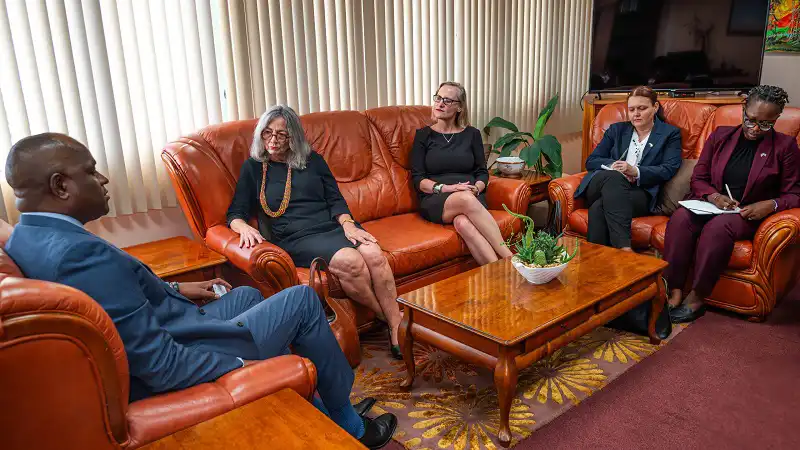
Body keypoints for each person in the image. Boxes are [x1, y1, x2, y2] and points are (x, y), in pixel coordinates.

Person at [3, 133, 396, 449]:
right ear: (60, 185)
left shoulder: (27, 237)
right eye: (91, 172)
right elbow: (158, 364)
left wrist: (180, 287)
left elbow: (117, 299)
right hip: (182, 349)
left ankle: (314, 401)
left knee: (244, 295)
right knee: (303, 299)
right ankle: (347, 422)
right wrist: (245, 370)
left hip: (177, 324)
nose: (104, 180)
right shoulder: (78, 254)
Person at [226, 105, 404, 360]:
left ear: (294, 137)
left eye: (281, 135)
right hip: (296, 237)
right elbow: (235, 212)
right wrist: (241, 226)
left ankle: (395, 326)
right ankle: (391, 318)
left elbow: (335, 200)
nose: (273, 140)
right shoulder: (254, 168)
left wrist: (348, 224)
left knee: (375, 255)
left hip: (332, 226)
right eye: (267, 133)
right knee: (351, 261)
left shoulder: (313, 161)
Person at [664, 85, 800, 323]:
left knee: (718, 228)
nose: (756, 128)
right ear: (743, 109)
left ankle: (697, 297)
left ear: (776, 119)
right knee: (680, 219)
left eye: (765, 124)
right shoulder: (720, 136)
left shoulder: (785, 147)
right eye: (751, 120)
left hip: (747, 214)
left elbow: (795, 193)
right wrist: (714, 197)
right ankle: (674, 290)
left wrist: (771, 204)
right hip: (713, 204)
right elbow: (699, 178)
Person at [411, 81, 512, 265]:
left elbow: (482, 172)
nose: (440, 104)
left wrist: (476, 189)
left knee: (463, 224)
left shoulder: (472, 134)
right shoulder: (423, 135)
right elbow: (418, 179)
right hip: (436, 197)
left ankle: (501, 275)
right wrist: (448, 188)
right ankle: (511, 258)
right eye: (438, 98)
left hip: (471, 196)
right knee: (464, 199)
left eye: (448, 100)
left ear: (459, 107)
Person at [574, 85, 682, 250]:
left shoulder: (669, 134)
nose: (636, 114)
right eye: (631, 109)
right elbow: (592, 161)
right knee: (614, 177)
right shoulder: (617, 130)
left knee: (598, 208)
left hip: (639, 192)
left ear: (655, 107)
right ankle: (624, 248)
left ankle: (595, 266)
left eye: (642, 108)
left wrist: (636, 171)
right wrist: (613, 166)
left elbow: (669, 168)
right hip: (602, 184)